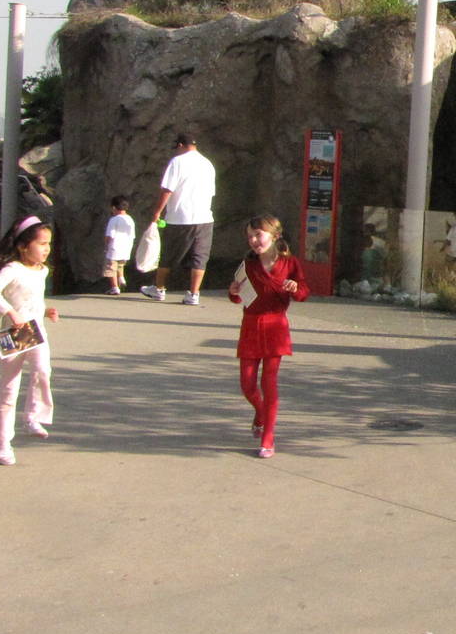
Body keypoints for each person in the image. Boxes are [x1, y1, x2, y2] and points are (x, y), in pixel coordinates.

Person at [227, 214, 309, 458]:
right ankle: (261, 413)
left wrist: (296, 288)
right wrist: (232, 292)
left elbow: (304, 292)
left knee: (269, 382)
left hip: (276, 326)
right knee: (247, 384)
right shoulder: (248, 264)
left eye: (258, 234)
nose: (254, 240)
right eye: (250, 236)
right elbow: (238, 294)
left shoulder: (290, 263)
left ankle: (268, 437)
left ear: (275, 235)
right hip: (251, 325)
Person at [0, 215, 60, 466]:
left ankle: (33, 416)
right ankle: (2, 443)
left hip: (35, 330)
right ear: (23, 246)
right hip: (13, 334)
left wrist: (46, 311)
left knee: (42, 370)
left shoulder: (43, 271)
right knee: (8, 389)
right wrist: (9, 312)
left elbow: (33, 299)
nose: (46, 249)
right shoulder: (12, 269)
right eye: (41, 243)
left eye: (49, 244)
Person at [141, 132, 217, 305]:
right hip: (204, 217)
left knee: (168, 254)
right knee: (200, 256)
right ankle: (193, 294)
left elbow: (168, 189)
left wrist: (157, 212)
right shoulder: (208, 164)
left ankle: (159, 289)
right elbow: (211, 193)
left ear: (181, 145)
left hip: (179, 217)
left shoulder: (177, 162)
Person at [102, 194, 135, 295]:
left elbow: (109, 235)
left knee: (111, 268)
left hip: (114, 248)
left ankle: (115, 287)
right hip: (126, 248)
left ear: (113, 208)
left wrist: (106, 244)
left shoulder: (114, 219)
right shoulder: (130, 219)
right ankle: (121, 278)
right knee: (120, 265)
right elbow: (133, 236)